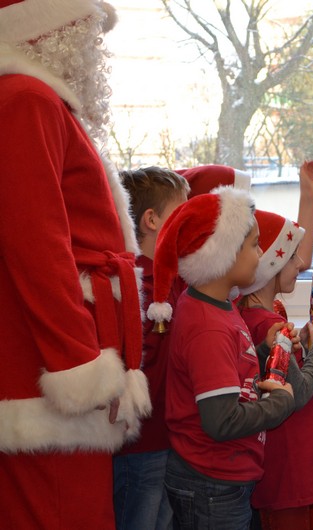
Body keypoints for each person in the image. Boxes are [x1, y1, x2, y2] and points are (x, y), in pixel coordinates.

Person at [0, 2, 152, 528]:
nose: (95, 44)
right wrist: (81, 369)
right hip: (50, 377)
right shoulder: (26, 99)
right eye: (88, 28)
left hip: (52, 367)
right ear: (53, 29)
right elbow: (35, 248)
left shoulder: (39, 101)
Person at [146, 185, 298, 529]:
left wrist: (261, 350)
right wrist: (280, 404)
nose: (261, 254)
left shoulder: (216, 305)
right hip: (212, 484)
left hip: (219, 477)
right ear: (225, 253)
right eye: (255, 245)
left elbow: (227, 369)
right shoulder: (208, 326)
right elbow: (221, 421)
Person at [238, 161, 313, 529]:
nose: (301, 264)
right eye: (291, 259)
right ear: (271, 268)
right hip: (287, 460)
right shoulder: (269, 325)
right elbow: (300, 392)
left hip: (275, 459)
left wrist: (308, 196)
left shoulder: (252, 315)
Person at [114, 166, 190, 530]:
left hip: (168, 436)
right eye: (182, 212)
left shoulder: (172, 276)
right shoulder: (135, 282)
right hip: (140, 443)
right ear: (152, 220)